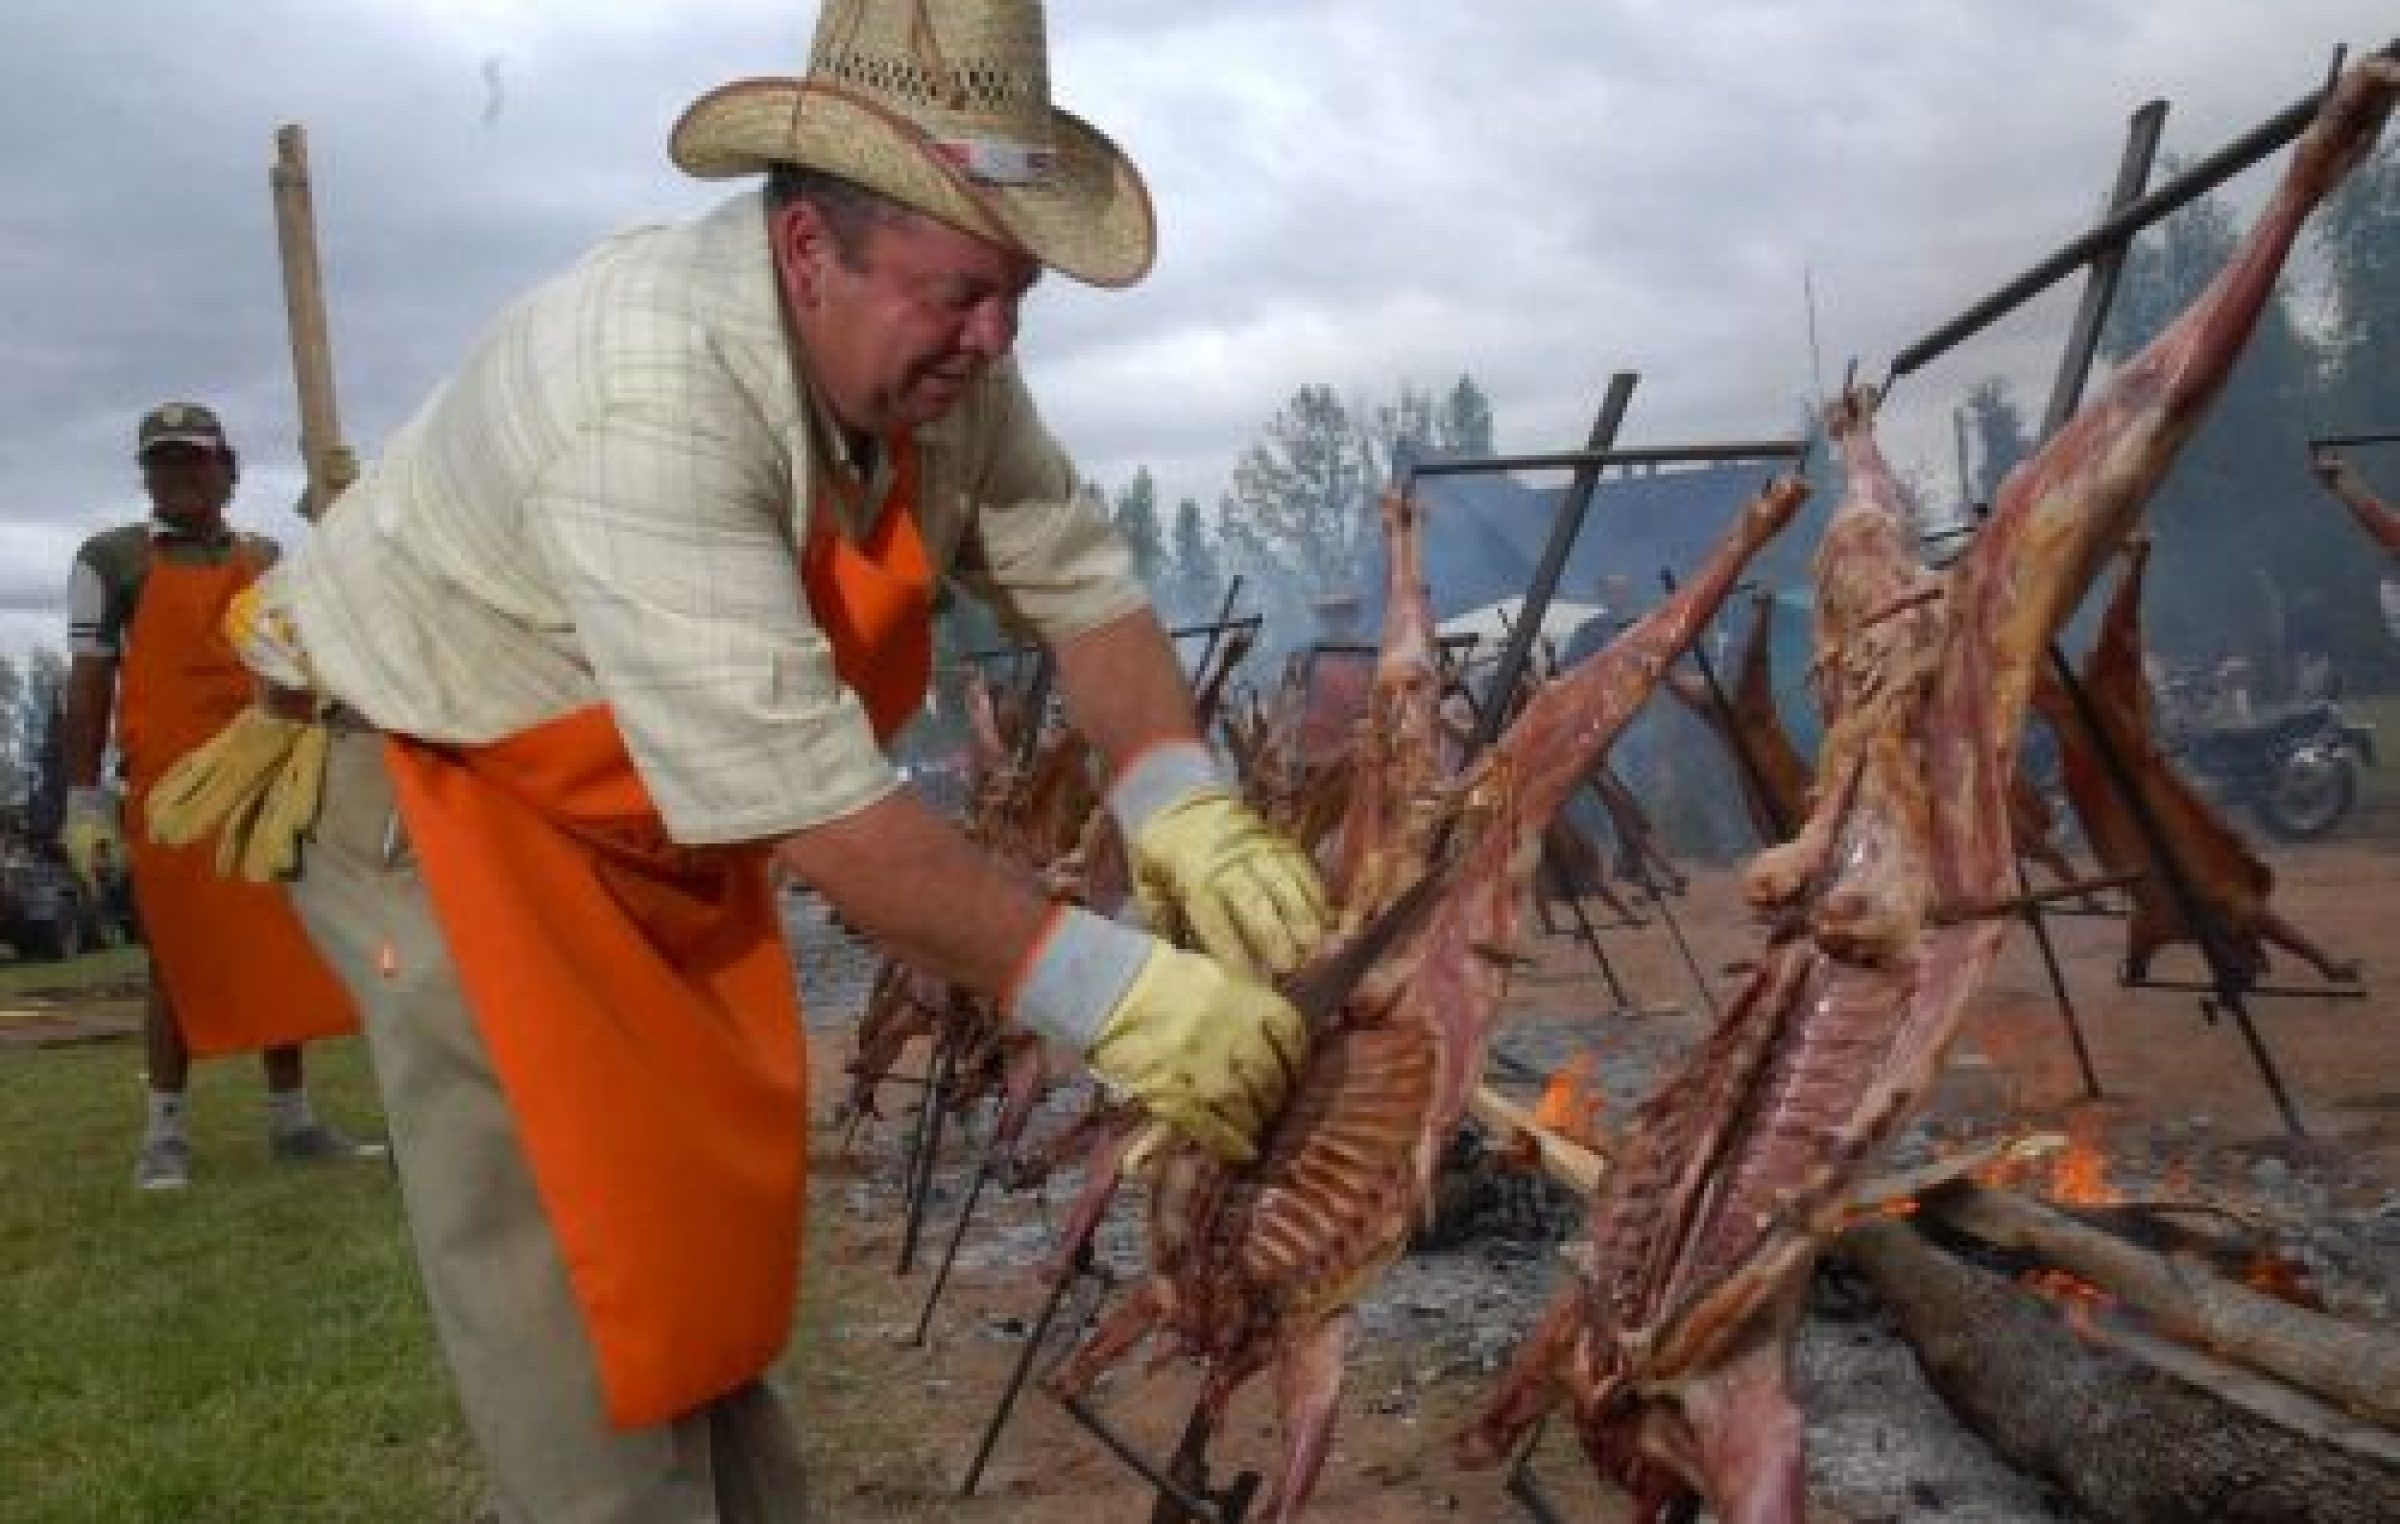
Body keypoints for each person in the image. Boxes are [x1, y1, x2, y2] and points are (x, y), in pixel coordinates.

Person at [156, 2, 1333, 1518]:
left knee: (692, 1230)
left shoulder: (947, 361)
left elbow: (1083, 582)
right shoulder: (646, 391)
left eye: (1018, 295)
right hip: (439, 787)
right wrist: (1120, 997)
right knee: (573, 1262)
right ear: (805, 253)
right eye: (964, 293)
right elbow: (819, 809)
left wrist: (1187, 807)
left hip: (637, 813)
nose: (997, 339)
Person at [59, 402, 382, 1190]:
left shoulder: (266, 554)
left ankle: (293, 1119)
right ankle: (164, 1134)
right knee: (177, 954)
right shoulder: (111, 560)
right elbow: (91, 679)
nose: (179, 475)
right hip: (170, 788)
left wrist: (340, 509)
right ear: (146, 475)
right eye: (163, 462)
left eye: (194, 461)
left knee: (281, 943)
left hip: (263, 774)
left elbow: (315, 628)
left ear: (228, 471)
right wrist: (82, 797)